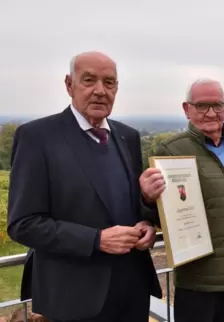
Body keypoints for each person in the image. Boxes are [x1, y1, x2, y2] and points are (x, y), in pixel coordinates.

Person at [7, 51, 162, 322]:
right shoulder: (37, 137)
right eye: (89, 80)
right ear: (69, 85)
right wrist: (97, 240)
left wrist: (147, 221)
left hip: (132, 293)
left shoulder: (128, 136)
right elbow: (23, 224)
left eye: (109, 82)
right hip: (73, 301)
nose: (100, 91)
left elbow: (130, 207)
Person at [139, 78, 224, 322]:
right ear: (187, 109)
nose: (211, 113)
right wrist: (147, 198)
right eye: (202, 105)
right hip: (198, 282)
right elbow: (155, 212)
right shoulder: (170, 152)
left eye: (218, 105)